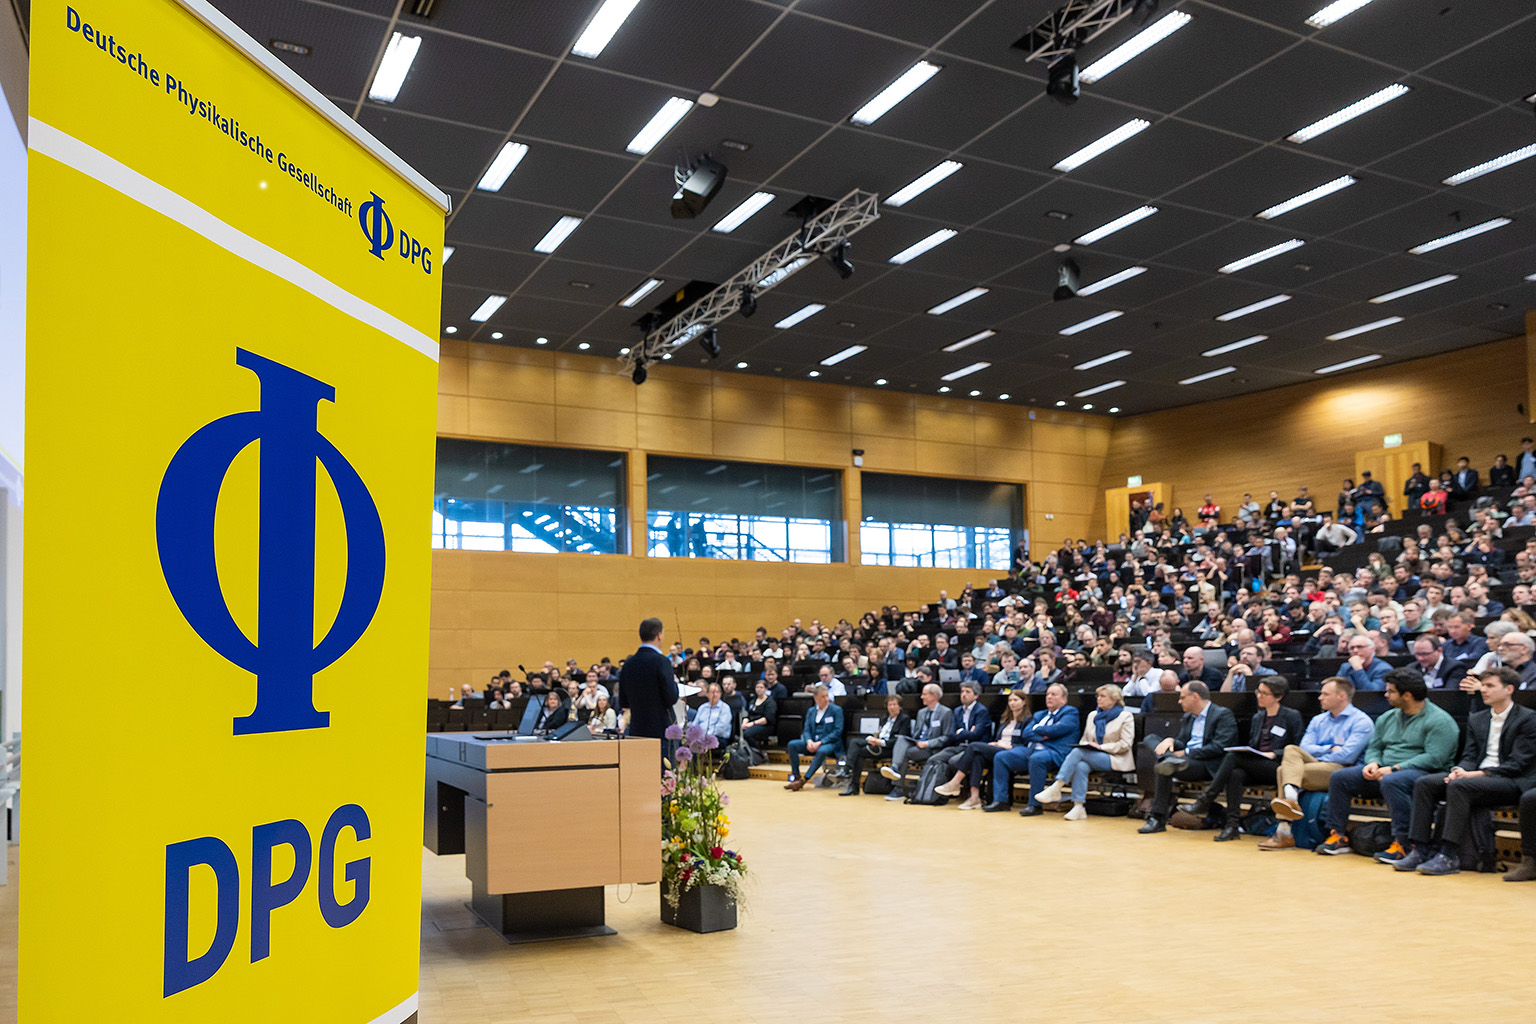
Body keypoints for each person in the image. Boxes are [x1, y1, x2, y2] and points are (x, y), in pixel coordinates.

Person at [1393, 666, 1536, 873]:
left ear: (1509, 689)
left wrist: (1475, 774)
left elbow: (1518, 763)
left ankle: (1449, 854)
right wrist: (1459, 770)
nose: (1483, 690)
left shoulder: (1528, 718)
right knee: (1425, 783)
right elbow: (1469, 755)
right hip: (1476, 778)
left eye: (1490, 686)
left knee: (1459, 786)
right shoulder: (1478, 719)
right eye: (1483, 685)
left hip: (1512, 780)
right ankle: (1420, 849)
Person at [1315, 669, 1459, 856]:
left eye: (1391, 691)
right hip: (1385, 771)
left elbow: (1435, 757)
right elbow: (1375, 747)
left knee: (1393, 781)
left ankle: (1404, 843)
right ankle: (1338, 835)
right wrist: (1373, 763)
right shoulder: (1387, 717)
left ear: (1407, 695)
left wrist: (1395, 768)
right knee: (1340, 777)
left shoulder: (1440, 720)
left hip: (1424, 773)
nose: (1386, 694)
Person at [1180, 677, 1305, 841]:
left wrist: (1275, 753)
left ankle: (1206, 800)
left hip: (1278, 767)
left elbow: (1298, 747)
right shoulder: (1258, 718)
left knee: (1233, 757)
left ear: (1278, 697)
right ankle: (1232, 827)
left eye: (1264, 693)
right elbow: (1254, 744)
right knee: (1235, 774)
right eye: (1258, 692)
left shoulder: (1291, 716)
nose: (1259, 696)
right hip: (1257, 764)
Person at [1136, 681, 1239, 834]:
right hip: (1184, 761)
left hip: (1207, 764)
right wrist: (1171, 741)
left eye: (1182, 697)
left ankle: (1157, 819)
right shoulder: (1189, 717)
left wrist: (1186, 753)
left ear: (1195, 697)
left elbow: (1219, 747)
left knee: (1163, 767)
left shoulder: (1222, 714)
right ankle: (1169, 759)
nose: (1179, 701)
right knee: (1150, 739)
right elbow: (1182, 742)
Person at [1034, 684, 1137, 820]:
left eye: (1103, 696)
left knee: (1078, 752)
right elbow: (1084, 739)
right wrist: (1088, 746)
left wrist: (1101, 747)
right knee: (1081, 765)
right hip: (1093, 755)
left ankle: (1057, 786)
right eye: (1098, 696)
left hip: (1116, 758)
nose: (1098, 699)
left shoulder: (1125, 716)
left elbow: (1125, 744)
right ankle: (1078, 807)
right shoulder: (1093, 715)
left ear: (1114, 699)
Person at [985, 682, 1080, 813]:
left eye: (1054, 694)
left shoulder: (1070, 712)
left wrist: (1039, 730)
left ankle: (1035, 805)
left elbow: (1058, 729)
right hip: (1033, 749)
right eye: (1048, 694)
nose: (1049, 697)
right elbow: (1027, 733)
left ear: (1063, 699)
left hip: (1055, 752)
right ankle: (1001, 801)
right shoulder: (1039, 715)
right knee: (1001, 757)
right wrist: (1043, 735)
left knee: (1037, 758)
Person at [936, 691, 1030, 809]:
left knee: (974, 746)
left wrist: (1008, 746)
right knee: (977, 757)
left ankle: (955, 782)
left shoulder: (1028, 720)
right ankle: (974, 797)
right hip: (998, 748)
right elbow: (998, 738)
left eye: (1015, 700)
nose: (1012, 703)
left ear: (1024, 702)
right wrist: (996, 743)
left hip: (1012, 751)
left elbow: (1026, 744)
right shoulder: (1005, 720)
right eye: (1010, 700)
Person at [880, 683, 953, 800]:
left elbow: (947, 737)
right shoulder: (921, 712)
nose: (921, 697)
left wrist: (927, 743)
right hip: (918, 744)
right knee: (901, 739)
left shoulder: (946, 712)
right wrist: (915, 741)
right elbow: (917, 734)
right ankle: (894, 768)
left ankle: (898, 789)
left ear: (934, 696)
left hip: (933, 749)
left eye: (924, 694)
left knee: (905, 752)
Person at [617, 617, 680, 745]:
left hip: (637, 730)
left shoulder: (628, 664)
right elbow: (671, 697)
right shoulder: (662, 661)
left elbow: (623, 702)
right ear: (659, 635)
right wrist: (675, 684)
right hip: (661, 731)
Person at [840, 695, 911, 796]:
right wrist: (873, 738)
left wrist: (880, 742)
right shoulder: (885, 718)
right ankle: (848, 774)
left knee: (859, 752)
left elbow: (901, 739)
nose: (892, 707)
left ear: (900, 706)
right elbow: (880, 732)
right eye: (890, 705)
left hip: (889, 748)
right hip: (878, 744)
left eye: (894, 704)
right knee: (854, 742)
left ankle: (849, 777)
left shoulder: (904, 719)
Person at [785, 685, 844, 791]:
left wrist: (820, 742)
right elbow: (806, 729)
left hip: (830, 743)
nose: (826, 699)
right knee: (792, 744)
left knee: (822, 750)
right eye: (823, 697)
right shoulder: (811, 711)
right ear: (816, 698)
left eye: (827, 696)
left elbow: (837, 731)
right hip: (813, 742)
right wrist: (809, 741)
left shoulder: (836, 710)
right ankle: (796, 777)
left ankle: (804, 780)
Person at [741, 680, 777, 753]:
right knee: (739, 732)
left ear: (766, 689)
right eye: (757, 687)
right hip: (751, 723)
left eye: (761, 687)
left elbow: (767, 719)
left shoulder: (770, 702)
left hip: (764, 725)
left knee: (747, 734)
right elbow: (748, 714)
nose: (759, 689)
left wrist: (752, 723)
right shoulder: (753, 701)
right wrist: (744, 723)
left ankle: (758, 751)